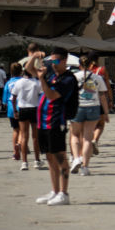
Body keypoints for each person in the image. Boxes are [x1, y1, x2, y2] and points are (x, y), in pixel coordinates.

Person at [34, 47, 77, 206]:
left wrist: (42, 79)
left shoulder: (68, 79)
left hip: (55, 121)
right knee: (49, 156)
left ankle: (64, 193)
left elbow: (51, 96)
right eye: (52, 61)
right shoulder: (52, 74)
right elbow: (29, 69)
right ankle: (55, 190)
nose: (54, 64)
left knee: (60, 157)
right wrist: (34, 57)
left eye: (57, 61)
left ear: (65, 61)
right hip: (42, 121)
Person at [70, 59, 108, 176]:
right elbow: (102, 96)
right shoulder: (97, 78)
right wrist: (106, 113)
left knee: (75, 135)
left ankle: (76, 158)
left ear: (79, 65)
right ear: (91, 65)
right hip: (93, 107)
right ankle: (85, 167)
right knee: (87, 138)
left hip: (78, 107)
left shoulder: (74, 77)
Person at [12, 67, 43, 170]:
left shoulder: (19, 82)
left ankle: (24, 162)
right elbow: (41, 95)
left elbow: (13, 98)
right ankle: (37, 160)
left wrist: (15, 111)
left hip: (23, 109)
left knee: (24, 137)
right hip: (34, 108)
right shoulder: (36, 83)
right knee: (35, 137)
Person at [84, 53, 111, 153]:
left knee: (88, 126)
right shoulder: (102, 70)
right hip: (98, 100)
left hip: (85, 100)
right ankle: (95, 140)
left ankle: (87, 145)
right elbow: (107, 86)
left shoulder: (84, 71)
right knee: (100, 124)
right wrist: (110, 99)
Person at [2, 62, 22, 162]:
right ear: (21, 71)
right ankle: (20, 143)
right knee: (23, 130)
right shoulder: (23, 81)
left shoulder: (8, 83)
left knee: (15, 130)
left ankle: (15, 152)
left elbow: (4, 101)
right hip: (23, 107)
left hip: (11, 108)